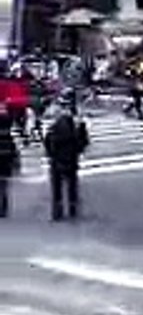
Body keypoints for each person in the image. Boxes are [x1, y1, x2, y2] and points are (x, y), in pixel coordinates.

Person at [44, 91, 89, 222]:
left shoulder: (53, 117)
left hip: (57, 157)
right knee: (71, 184)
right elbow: (84, 140)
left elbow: (47, 138)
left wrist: (49, 152)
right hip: (71, 156)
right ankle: (72, 208)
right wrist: (78, 150)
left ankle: (57, 210)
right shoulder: (77, 121)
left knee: (57, 185)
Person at [0, 112, 18, 218]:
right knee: (3, 185)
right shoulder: (8, 137)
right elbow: (13, 152)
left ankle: (2, 206)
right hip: (5, 163)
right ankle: (3, 206)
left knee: (2, 185)